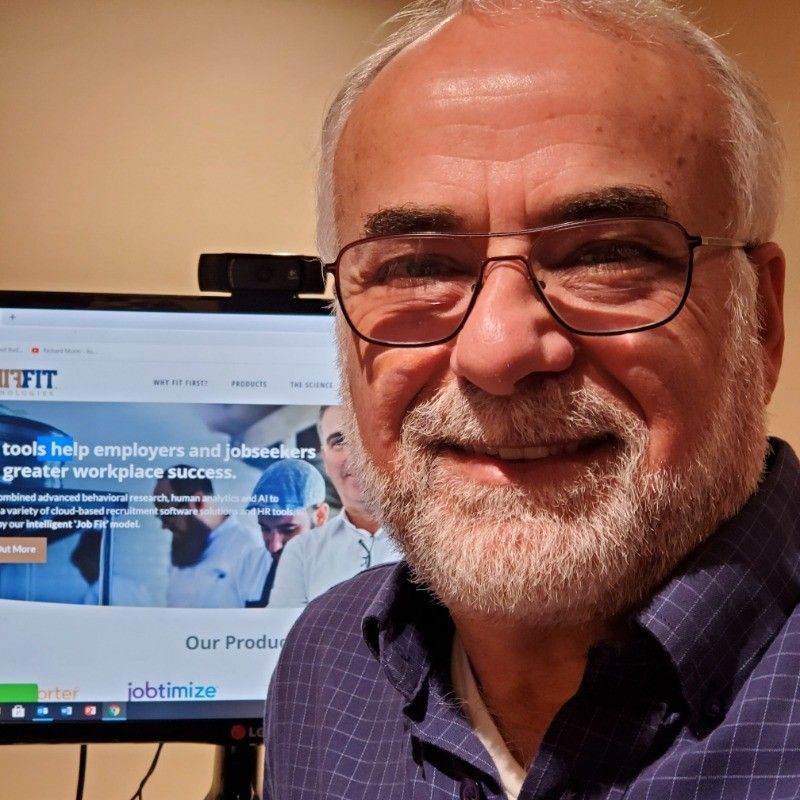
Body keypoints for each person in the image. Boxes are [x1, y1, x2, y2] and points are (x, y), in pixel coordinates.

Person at [264, 1, 798, 798]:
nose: (499, 351)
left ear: (759, 319)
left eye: (608, 253)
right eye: (415, 267)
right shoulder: (324, 665)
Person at [267, 405, 401, 606]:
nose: (356, 455)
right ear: (325, 459)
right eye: (339, 441)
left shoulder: (432, 542)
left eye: (366, 435)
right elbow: (284, 632)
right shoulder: (302, 551)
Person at [153, 467, 267, 608]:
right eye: (161, 516)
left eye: (167, 514)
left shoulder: (249, 547)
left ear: (198, 502)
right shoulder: (183, 547)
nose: (164, 526)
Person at [246, 458, 329, 605]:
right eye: (265, 528)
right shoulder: (250, 569)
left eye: (288, 529)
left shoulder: (344, 574)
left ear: (320, 516)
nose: (274, 546)